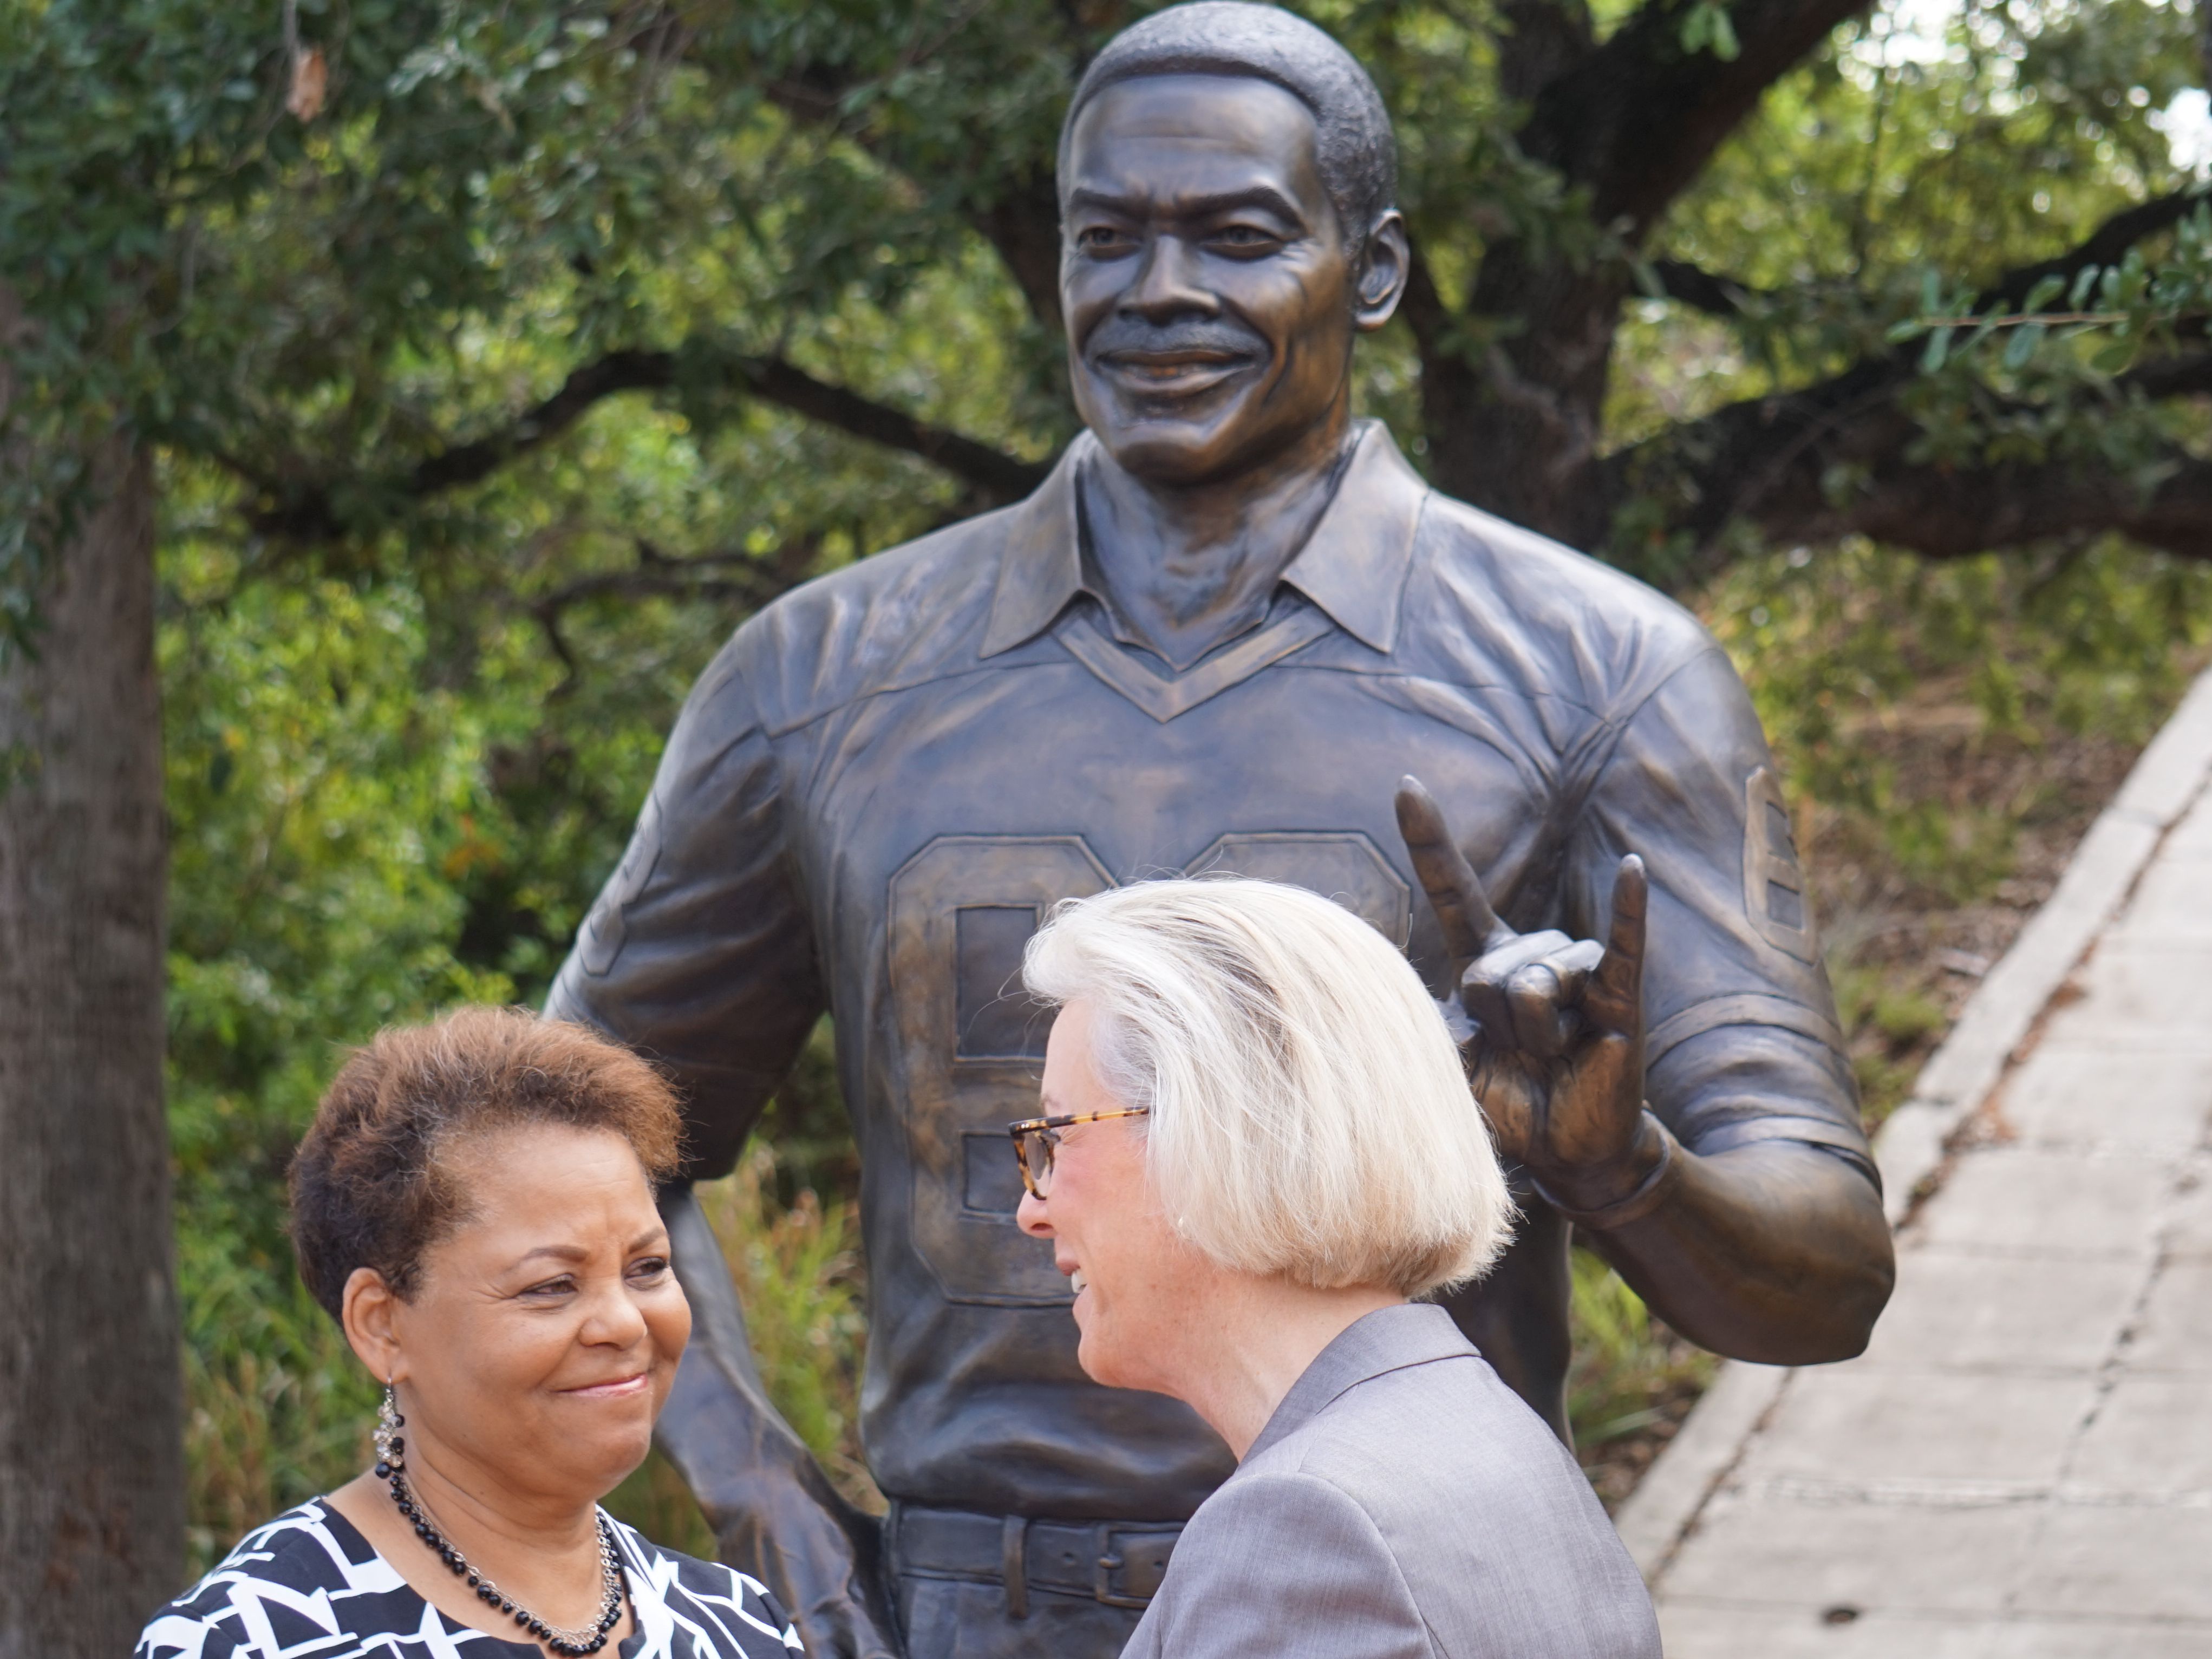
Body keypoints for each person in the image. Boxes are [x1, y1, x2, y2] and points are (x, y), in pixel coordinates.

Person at [544, 4, 1892, 1656]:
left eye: (1235, 235)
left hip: (1379, 1581)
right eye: (1103, 237)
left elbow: (1821, 1277)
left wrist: (1619, 1168)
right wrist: (770, 1510)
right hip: (947, 1614)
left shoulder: (1598, 675)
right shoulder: (818, 681)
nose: (1156, 290)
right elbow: (563, 1145)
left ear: (1370, 269)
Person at [1009, 876, 1661, 1657]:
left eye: (1057, 1134)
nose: (1032, 1208)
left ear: (1211, 1134)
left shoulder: (1309, 1527)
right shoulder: (1484, 1438)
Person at [136, 1008, 805, 1659]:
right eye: (551, 1285)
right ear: (382, 1324)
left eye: (647, 1267)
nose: (625, 1322)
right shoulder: (254, 1637)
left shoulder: (736, 1625)